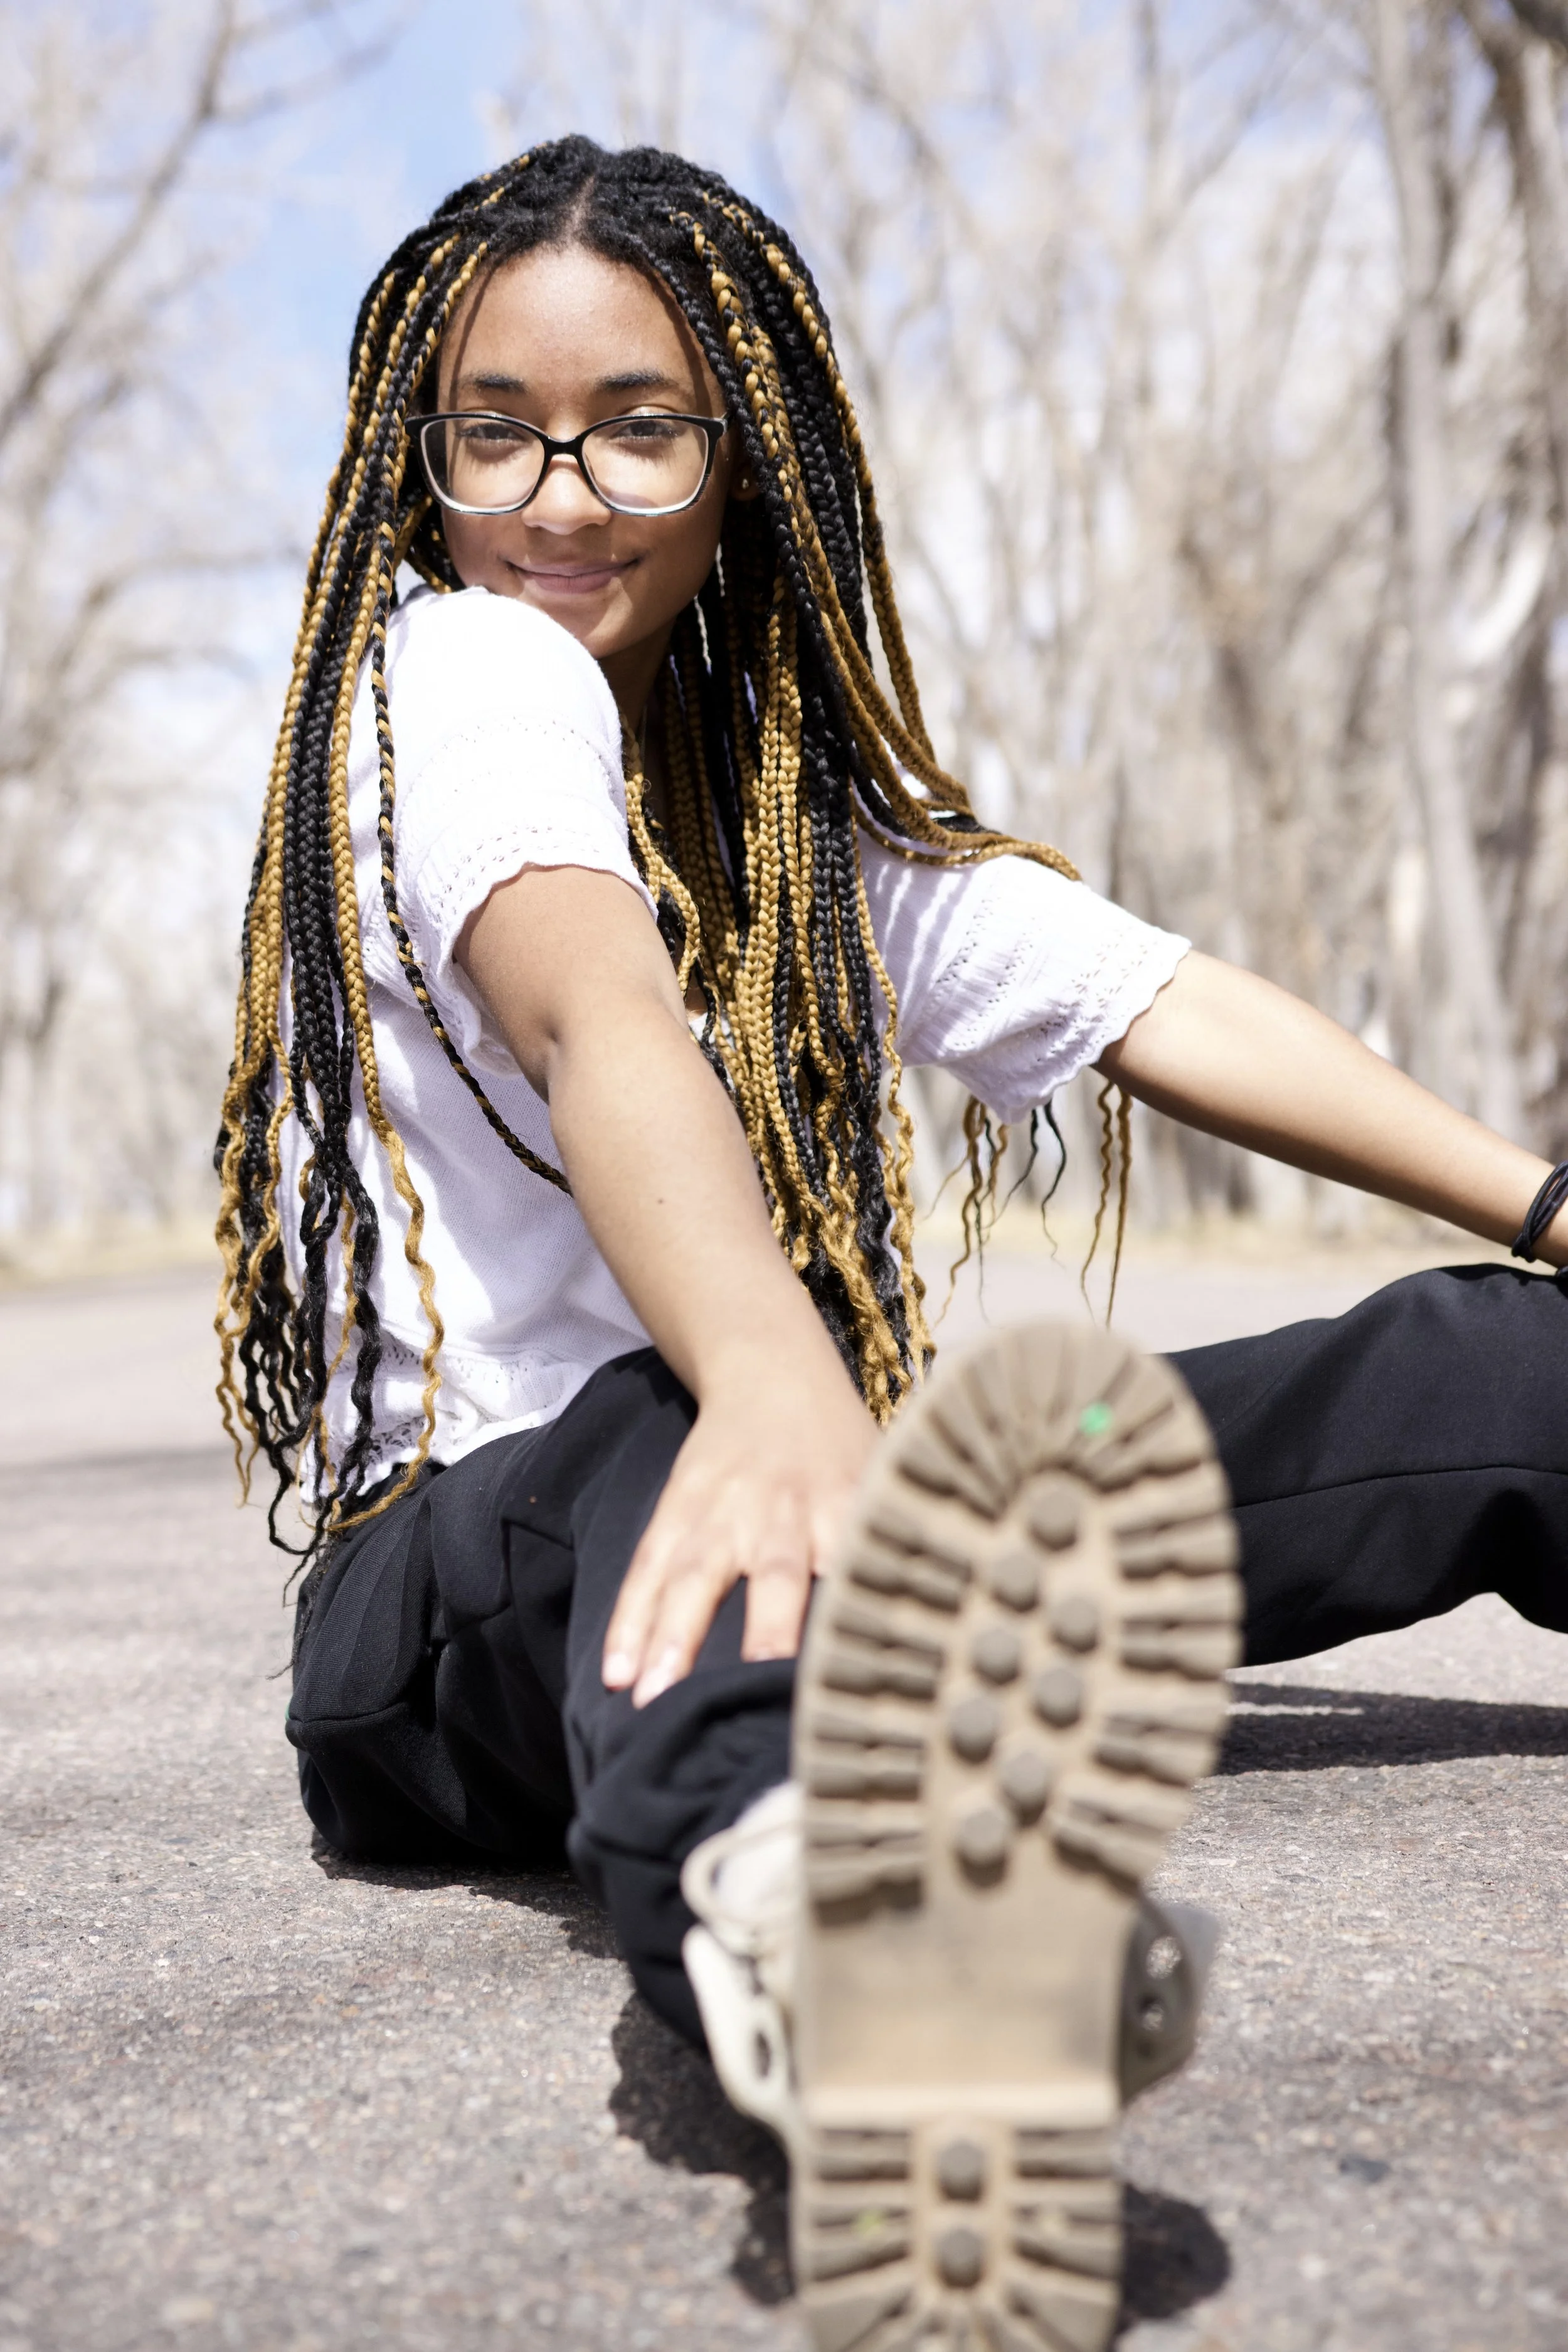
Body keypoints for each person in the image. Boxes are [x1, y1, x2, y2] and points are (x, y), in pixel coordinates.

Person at [215, 137, 1568, 2351]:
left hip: (803, 1523)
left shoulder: (780, 821)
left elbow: (1174, 1006)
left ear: (739, 458)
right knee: (666, 1420)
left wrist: (1547, 1202)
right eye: (498, 430)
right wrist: (769, 1376)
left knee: (1499, 1371)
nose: (561, 493)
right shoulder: (454, 678)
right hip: (450, 1597)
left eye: (639, 426)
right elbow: (595, 1011)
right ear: (423, 456)